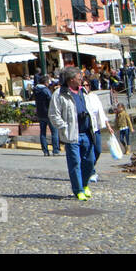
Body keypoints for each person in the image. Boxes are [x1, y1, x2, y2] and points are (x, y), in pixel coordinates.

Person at [49, 66, 96, 201]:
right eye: (78, 76)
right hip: (72, 134)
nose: (81, 78)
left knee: (90, 161)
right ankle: (78, 190)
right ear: (71, 80)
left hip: (87, 132)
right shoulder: (59, 94)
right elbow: (53, 114)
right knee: (75, 163)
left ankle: (85, 184)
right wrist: (64, 127)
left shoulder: (83, 92)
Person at [33, 77, 58, 157]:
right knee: (54, 132)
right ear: (45, 82)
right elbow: (51, 100)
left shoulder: (36, 90)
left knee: (43, 133)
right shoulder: (45, 90)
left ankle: (45, 151)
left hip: (40, 113)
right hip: (48, 113)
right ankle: (55, 150)